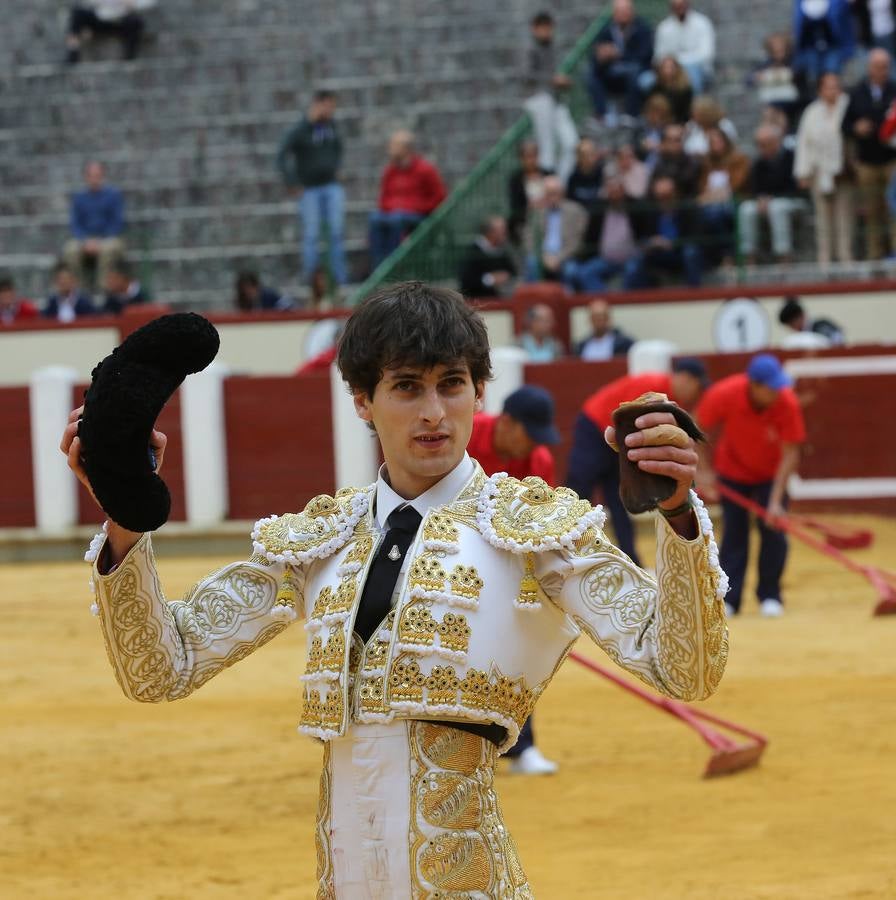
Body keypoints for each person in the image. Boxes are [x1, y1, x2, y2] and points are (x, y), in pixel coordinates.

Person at [63, 280, 728, 897]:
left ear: (479, 392)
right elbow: (161, 668)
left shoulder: (535, 530)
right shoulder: (320, 538)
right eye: (407, 387)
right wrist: (126, 518)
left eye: (453, 384)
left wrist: (678, 521)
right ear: (363, 401)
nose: (434, 411)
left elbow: (685, 667)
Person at [465, 385, 561, 774]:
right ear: (506, 423)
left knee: (517, 653)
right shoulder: (464, 438)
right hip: (445, 558)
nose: (533, 446)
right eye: (530, 434)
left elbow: (542, 529)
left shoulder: (538, 460)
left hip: (507, 568)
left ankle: (522, 748)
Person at [566, 358, 709, 564]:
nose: (695, 395)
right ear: (686, 379)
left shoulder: (664, 394)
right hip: (595, 429)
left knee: (618, 498)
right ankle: (567, 549)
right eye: (697, 388)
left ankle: (630, 559)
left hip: (617, 441)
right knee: (580, 493)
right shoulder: (654, 387)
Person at [696, 353, 806, 618]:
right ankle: (731, 599)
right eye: (771, 387)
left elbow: (791, 452)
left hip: (771, 475)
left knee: (774, 533)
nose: (778, 392)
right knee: (735, 535)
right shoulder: (725, 394)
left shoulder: (786, 401)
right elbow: (697, 429)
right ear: (754, 385)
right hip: (733, 472)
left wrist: (776, 501)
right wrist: (705, 472)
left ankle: (770, 595)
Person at [277, 90, 348, 289]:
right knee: (312, 235)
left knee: (336, 232)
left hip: (331, 186)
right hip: (309, 190)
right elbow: (281, 155)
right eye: (327, 106)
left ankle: (339, 279)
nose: (330, 111)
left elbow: (338, 148)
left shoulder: (331, 127)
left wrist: (336, 167)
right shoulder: (300, 130)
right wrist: (292, 181)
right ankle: (312, 281)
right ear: (317, 104)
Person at [795, 71, 854, 264]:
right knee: (822, 219)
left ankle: (845, 257)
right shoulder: (812, 111)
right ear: (820, 90)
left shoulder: (848, 105)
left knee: (844, 217)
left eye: (836, 86)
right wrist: (803, 172)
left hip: (843, 171)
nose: (833, 91)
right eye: (828, 87)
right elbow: (804, 143)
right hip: (820, 171)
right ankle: (824, 259)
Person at [842, 48, 896, 258]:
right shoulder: (857, 92)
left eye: (885, 67)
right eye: (877, 67)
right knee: (872, 211)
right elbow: (844, 125)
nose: (882, 71)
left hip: (892, 160)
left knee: (894, 209)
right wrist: (856, 128)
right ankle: (875, 256)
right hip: (867, 161)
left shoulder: (894, 90)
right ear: (869, 68)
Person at [368, 130, 447, 268]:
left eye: (394, 145)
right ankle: (379, 266)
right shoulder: (390, 171)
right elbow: (383, 198)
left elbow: (439, 197)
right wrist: (392, 207)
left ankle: (394, 265)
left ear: (406, 149)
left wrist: (414, 207)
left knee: (396, 219)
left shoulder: (426, 169)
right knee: (374, 218)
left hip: (418, 216)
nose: (390, 149)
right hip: (393, 213)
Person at [523, 11, 579, 184]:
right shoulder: (529, 49)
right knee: (546, 146)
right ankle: (548, 180)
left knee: (572, 144)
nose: (546, 32)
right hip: (539, 99)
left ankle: (559, 184)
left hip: (556, 100)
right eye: (542, 28)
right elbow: (526, 76)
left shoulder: (554, 48)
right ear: (535, 29)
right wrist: (552, 80)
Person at [563, 177, 645, 292]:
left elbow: (644, 234)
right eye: (611, 192)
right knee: (584, 273)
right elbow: (589, 237)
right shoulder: (599, 210)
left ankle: (625, 303)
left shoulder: (635, 208)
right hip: (606, 259)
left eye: (617, 191)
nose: (615, 195)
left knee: (633, 270)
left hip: (630, 258)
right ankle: (606, 300)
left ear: (623, 191)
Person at [738, 125, 803, 264]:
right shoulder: (758, 163)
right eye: (759, 144)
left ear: (776, 141)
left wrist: (771, 198)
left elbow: (796, 187)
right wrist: (760, 198)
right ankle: (749, 256)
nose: (761, 148)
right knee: (746, 209)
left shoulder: (791, 158)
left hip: (793, 201)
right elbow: (755, 188)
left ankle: (783, 255)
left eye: (765, 144)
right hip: (767, 202)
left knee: (777, 207)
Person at [623, 175, 704, 288]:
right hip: (658, 253)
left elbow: (695, 236)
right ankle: (638, 299)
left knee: (691, 252)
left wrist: (673, 243)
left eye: (668, 195)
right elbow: (643, 236)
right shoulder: (651, 213)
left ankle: (694, 294)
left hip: (679, 252)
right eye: (660, 196)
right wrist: (652, 242)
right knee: (635, 260)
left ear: (675, 193)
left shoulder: (688, 210)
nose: (664, 200)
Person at [587, 0, 655, 120]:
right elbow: (596, 52)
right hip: (612, 69)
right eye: (619, 11)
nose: (623, 14)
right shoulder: (606, 30)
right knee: (591, 73)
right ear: (614, 13)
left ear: (632, 12)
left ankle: (632, 114)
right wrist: (602, 57)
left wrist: (618, 54)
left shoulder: (643, 28)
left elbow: (644, 55)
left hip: (637, 69)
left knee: (634, 71)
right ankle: (602, 114)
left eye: (625, 11)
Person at [63, 160, 126, 289]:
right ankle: (78, 289)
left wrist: (99, 241)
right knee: (70, 249)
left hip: (109, 238)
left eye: (97, 175)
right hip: (85, 240)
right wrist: (85, 241)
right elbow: (75, 224)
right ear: (86, 177)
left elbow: (117, 223)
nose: (94, 179)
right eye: (91, 175)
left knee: (108, 249)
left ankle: (103, 288)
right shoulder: (79, 198)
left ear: (102, 176)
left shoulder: (113, 195)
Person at [697, 127, 750, 264]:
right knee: (707, 215)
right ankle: (717, 256)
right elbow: (702, 189)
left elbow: (736, 185)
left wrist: (714, 195)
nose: (715, 145)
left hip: (734, 201)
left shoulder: (739, 159)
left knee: (716, 213)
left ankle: (729, 254)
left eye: (718, 141)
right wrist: (711, 196)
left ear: (726, 142)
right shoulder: (707, 164)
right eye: (712, 142)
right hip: (711, 204)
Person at [523, 175, 588, 282]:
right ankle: (536, 297)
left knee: (571, 271)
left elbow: (576, 243)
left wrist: (558, 259)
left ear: (562, 193)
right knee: (531, 263)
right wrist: (543, 257)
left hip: (565, 256)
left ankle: (568, 297)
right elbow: (529, 239)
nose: (552, 197)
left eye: (555, 193)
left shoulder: (575, 211)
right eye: (548, 194)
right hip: (542, 255)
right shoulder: (536, 211)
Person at [652, 0, 716, 95]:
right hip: (670, 70)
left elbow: (706, 54)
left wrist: (679, 63)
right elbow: (660, 56)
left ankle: (693, 107)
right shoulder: (664, 28)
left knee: (691, 73)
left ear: (688, 4)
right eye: (676, 5)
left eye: (681, 4)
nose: (679, 8)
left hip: (699, 70)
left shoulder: (702, 23)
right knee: (646, 81)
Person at [66, 1, 153, 63]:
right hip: (100, 20)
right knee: (77, 13)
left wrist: (132, 4)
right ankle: (73, 51)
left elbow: (148, 3)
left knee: (134, 22)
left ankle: (129, 57)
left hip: (122, 21)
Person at [792, 0, 856, 84]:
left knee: (831, 75)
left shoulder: (838, 3)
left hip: (832, 46)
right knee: (813, 78)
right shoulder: (800, 3)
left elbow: (846, 25)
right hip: (810, 47)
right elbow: (798, 26)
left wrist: (848, 48)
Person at [747, 32, 802, 125]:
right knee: (769, 114)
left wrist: (788, 75)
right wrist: (758, 76)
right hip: (771, 101)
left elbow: (800, 77)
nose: (778, 50)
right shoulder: (766, 64)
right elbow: (748, 80)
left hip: (791, 103)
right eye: (775, 48)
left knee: (781, 117)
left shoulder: (794, 62)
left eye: (781, 47)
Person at [458, 216, 517, 298]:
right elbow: (466, 280)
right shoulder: (473, 252)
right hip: (478, 300)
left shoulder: (502, 249)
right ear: (490, 232)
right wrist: (490, 279)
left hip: (499, 299)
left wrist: (504, 276)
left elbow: (512, 271)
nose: (505, 233)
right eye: (502, 230)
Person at [507, 140, 551, 245]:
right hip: (526, 220)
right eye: (527, 157)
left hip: (549, 218)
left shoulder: (548, 173)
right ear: (521, 158)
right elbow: (515, 204)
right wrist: (529, 206)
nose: (530, 160)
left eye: (533, 156)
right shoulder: (515, 179)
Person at [566, 138, 606, 243]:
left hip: (600, 224)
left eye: (591, 153)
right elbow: (570, 203)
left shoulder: (604, 173)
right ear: (578, 157)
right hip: (579, 223)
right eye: (584, 155)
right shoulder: (573, 178)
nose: (589, 158)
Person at [651, 123, 702, 197]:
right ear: (664, 142)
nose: (672, 144)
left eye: (677, 140)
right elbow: (651, 185)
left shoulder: (691, 161)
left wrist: (670, 185)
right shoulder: (660, 160)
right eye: (669, 140)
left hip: (686, 204)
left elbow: (687, 182)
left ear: (683, 141)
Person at [645, 55, 694, 124]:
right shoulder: (656, 87)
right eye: (665, 67)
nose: (667, 70)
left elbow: (687, 113)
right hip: (657, 123)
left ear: (677, 69)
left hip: (678, 123)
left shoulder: (685, 89)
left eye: (670, 67)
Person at [778, 296, 846, 344]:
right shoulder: (800, 337)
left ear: (800, 316)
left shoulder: (822, 326)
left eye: (792, 324)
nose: (792, 328)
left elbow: (838, 340)